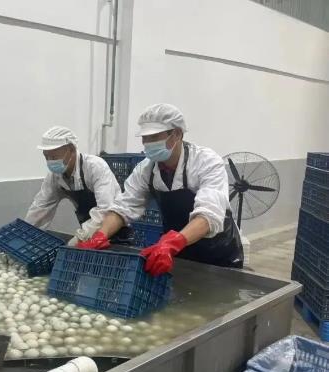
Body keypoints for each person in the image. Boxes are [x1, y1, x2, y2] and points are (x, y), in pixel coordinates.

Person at [78, 103, 243, 275]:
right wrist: (101, 235)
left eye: (154, 137)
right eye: (145, 138)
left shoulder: (205, 162)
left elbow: (209, 214)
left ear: (177, 134)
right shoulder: (146, 170)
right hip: (177, 253)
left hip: (218, 253)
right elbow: (124, 207)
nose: (148, 143)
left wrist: (173, 242)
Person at [25, 126, 131, 245]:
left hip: (114, 232)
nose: (50, 161)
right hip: (89, 229)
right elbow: (41, 206)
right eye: (46, 157)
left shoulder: (95, 167)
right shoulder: (55, 176)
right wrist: (26, 233)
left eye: (54, 157)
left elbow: (105, 209)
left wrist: (82, 236)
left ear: (71, 149)